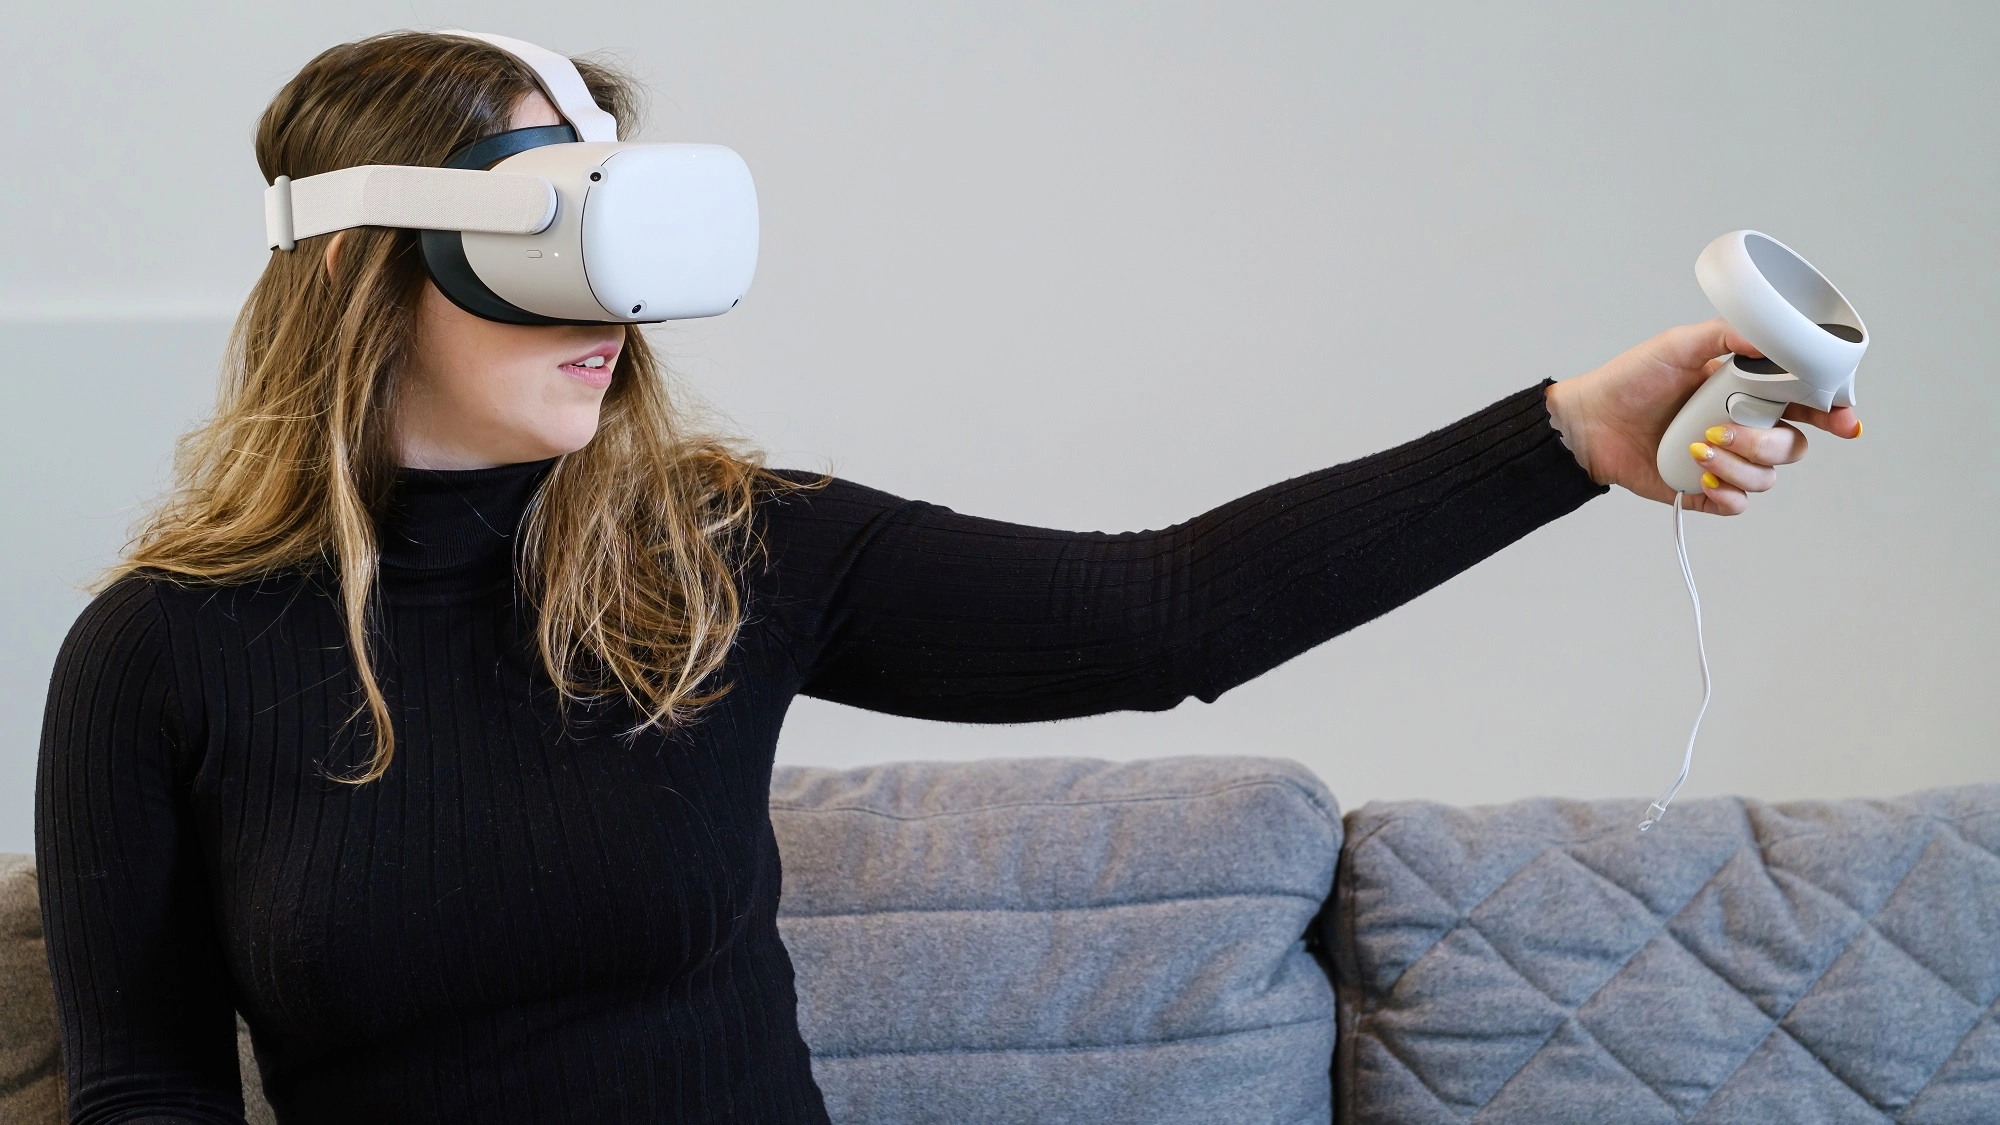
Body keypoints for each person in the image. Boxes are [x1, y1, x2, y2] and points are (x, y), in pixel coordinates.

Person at [34, 30, 1860, 1125]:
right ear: (360, 264)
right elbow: (148, 1088)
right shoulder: (160, 655)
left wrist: (1565, 436)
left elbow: (1161, 615)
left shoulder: (723, 549)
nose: (615, 311)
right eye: (552, 235)